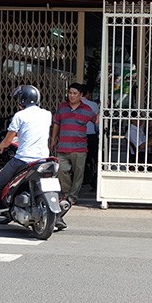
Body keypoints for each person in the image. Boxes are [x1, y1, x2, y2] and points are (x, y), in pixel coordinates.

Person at [0, 85, 52, 231]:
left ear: (22, 100)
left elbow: (8, 141)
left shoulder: (20, 116)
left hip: (22, 160)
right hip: (43, 159)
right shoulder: (47, 114)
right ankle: (57, 219)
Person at [50, 82, 98, 211]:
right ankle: (66, 193)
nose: (72, 96)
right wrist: (53, 140)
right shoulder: (62, 107)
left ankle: (73, 195)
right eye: (70, 93)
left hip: (80, 148)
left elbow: (97, 120)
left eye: (75, 93)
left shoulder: (87, 110)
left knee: (78, 174)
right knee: (62, 171)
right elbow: (56, 123)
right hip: (63, 146)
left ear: (81, 95)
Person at [81, 84, 99, 190]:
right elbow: (96, 122)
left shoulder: (74, 104)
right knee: (93, 159)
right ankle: (93, 181)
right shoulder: (93, 105)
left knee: (82, 160)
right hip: (91, 135)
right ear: (87, 93)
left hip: (79, 136)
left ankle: (82, 179)